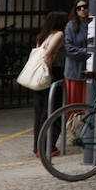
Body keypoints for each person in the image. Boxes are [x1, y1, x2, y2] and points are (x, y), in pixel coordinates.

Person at [31, 10, 67, 154]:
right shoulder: (59, 34)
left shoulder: (42, 36)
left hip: (39, 75)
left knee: (40, 112)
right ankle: (48, 147)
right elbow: (48, 56)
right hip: (52, 74)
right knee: (54, 110)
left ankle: (38, 147)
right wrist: (50, 73)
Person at [63, 0, 92, 106]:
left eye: (85, 7)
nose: (82, 9)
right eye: (79, 8)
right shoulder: (71, 26)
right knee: (74, 104)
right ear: (75, 11)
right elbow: (69, 48)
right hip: (75, 70)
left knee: (88, 102)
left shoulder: (92, 24)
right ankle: (74, 123)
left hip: (89, 70)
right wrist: (88, 52)